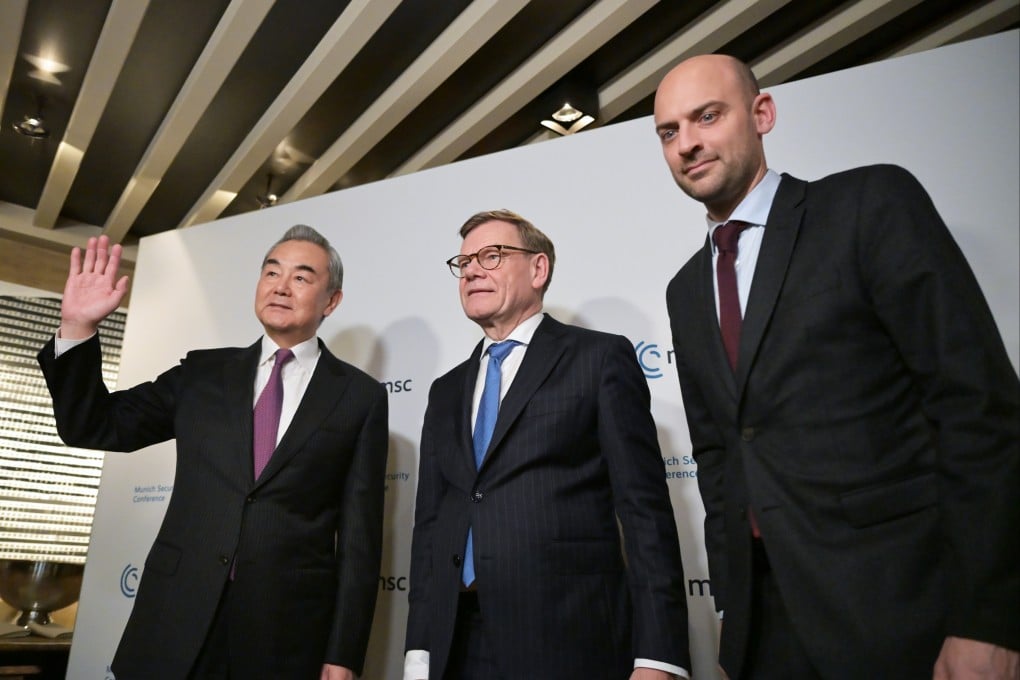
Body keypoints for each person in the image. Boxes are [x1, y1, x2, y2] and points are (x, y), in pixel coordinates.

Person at [653, 54, 1020, 679]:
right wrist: (732, 607)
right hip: (764, 629)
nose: (688, 143)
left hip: (903, 610)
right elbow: (718, 457)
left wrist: (990, 618)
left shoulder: (868, 203)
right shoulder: (685, 289)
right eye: (669, 131)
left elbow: (976, 407)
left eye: (707, 116)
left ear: (762, 113)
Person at [38, 226, 389, 679]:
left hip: (283, 636)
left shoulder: (358, 397)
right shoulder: (203, 373)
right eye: (271, 272)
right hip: (173, 622)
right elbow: (95, 425)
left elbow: (360, 541)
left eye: (301, 277)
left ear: (332, 300)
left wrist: (343, 653)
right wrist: (78, 327)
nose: (280, 286)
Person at [404, 210, 691, 679]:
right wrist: (418, 651)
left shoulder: (598, 359)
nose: (472, 270)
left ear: (538, 269)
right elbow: (430, 527)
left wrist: (659, 654)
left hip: (570, 639)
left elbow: (644, 513)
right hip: (456, 644)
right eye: (463, 263)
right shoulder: (446, 389)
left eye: (491, 256)